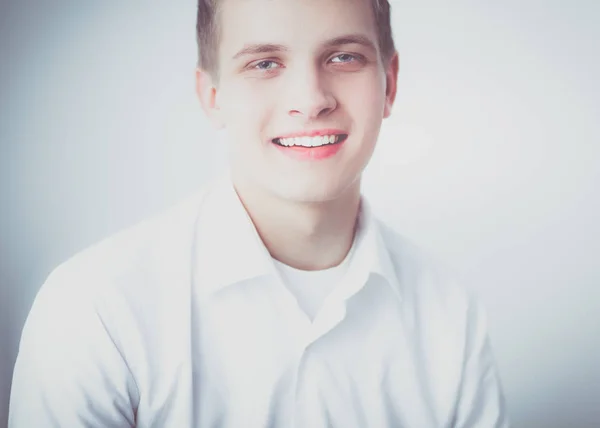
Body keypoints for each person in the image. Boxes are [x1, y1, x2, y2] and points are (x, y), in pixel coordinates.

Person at [9, 0, 510, 426]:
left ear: (390, 84)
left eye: (343, 56)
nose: (310, 100)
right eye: (264, 63)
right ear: (212, 96)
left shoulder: (451, 315)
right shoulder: (96, 310)